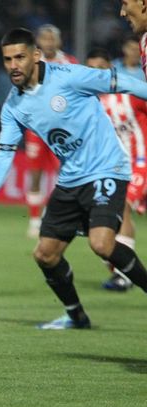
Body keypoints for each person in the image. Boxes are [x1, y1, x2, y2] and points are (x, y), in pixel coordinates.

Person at [0, 28, 147, 330]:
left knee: (102, 244)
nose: (13, 65)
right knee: (45, 255)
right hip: (71, 179)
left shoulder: (68, 77)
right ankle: (76, 316)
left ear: (36, 55)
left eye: (20, 57)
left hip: (107, 168)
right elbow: (4, 152)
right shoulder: (14, 106)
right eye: (7, 59)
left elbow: (122, 82)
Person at [86, 48, 147, 291]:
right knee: (105, 221)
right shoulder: (88, 102)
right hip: (113, 167)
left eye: (99, 68)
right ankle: (122, 269)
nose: (94, 73)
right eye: (90, 69)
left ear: (110, 69)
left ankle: (124, 275)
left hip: (140, 161)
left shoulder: (129, 93)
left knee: (122, 209)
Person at [23, 24, 78, 239]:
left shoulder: (70, 63)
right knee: (35, 175)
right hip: (36, 128)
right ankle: (35, 220)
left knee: (64, 175)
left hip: (62, 129)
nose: (48, 42)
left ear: (59, 41)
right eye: (44, 38)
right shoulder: (31, 63)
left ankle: (54, 214)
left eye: (51, 38)